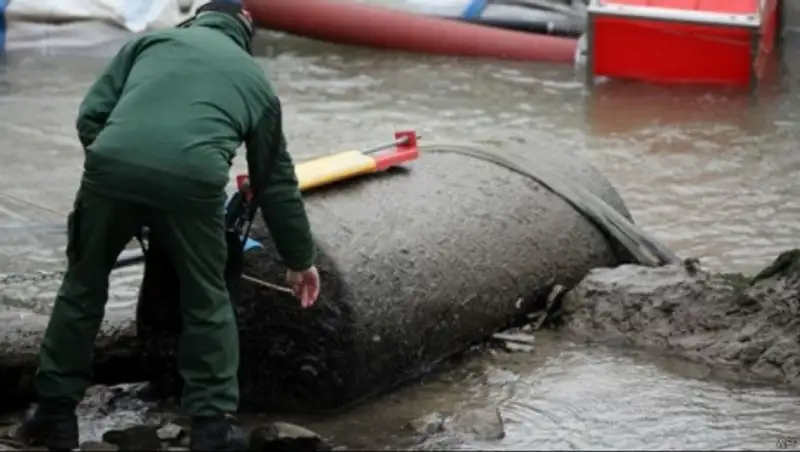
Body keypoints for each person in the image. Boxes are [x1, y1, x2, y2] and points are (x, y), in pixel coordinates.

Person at [14, 0, 321, 450]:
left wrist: (123, 175)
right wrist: (300, 260)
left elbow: (90, 116)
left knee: (82, 287)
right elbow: (273, 180)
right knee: (207, 296)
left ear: (195, 17)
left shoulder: (150, 41)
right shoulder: (257, 81)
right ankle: (213, 426)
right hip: (194, 183)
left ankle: (54, 417)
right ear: (246, 27)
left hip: (110, 167)